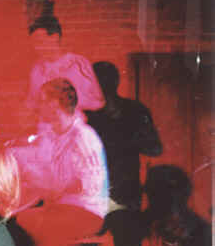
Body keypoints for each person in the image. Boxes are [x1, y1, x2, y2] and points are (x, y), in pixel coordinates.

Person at [11, 78, 109, 217]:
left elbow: (91, 184)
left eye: (42, 101)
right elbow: (39, 161)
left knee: (19, 222)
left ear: (54, 104)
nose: (38, 106)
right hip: (60, 208)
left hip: (83, 212)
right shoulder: (51, 134)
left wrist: (52, 186)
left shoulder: (83, 137)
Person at [87, 61, 162, 209]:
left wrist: (125, 135)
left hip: (125, 194)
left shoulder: (135, 110)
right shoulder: (85, 113)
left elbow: (154, 148)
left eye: (104, 81)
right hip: (93, 195)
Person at [25, 13, 104, 115]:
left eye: (39, 42)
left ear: (55, 37)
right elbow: (32, 103)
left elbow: (98, 102)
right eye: (34, 43)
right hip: (46, 123)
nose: (36, 48)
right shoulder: (37, 69)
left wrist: (64, 104)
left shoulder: (78, 63)